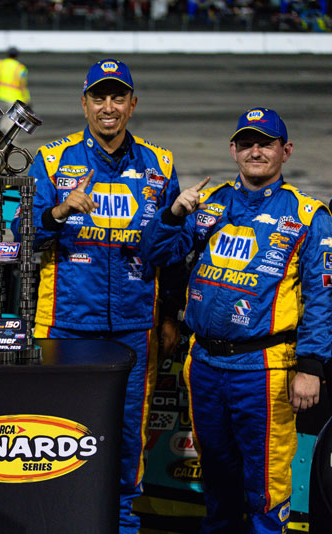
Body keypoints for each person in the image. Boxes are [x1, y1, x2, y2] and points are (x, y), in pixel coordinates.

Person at [10, 58, 182, 533]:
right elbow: (12, 239)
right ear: (84, 104)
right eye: (99, 97)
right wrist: (58, 212)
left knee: (127, 439)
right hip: (65, 325)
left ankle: (124, 524)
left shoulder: (161, 165)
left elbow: (171, 251)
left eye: (118, 97)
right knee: (54, 435)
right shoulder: (51, 160)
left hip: (133, 326)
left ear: (132, 104)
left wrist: (168, 314)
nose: (109, 107)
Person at [141, 107, 332, 533]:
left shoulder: (308, 215)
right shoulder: (209, 203)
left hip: (265, 369)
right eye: (247, 143)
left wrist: (311, 364)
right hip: (205, 364)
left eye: (266, 143)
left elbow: (323, 296)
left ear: (286, 151)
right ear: (233, 150)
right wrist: (172, 215)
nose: (256, 151)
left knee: (266, 484)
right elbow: (157, 255)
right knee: (218, 484)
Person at [0, 46, 31, 132]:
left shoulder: (0, 64)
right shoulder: (20, 68)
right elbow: (22, 85)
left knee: (4, 116)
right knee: (12, 119)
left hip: (1, 95)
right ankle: (8, 139)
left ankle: (1, 135)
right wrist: (26, 98)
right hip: (14, 97)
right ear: (17, 55)